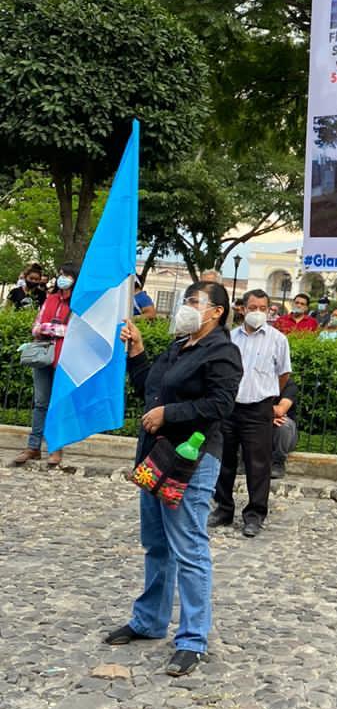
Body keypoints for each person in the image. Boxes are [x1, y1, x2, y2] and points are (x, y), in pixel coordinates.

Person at [106, 281, 242, 676]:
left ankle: (193, 638)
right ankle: (149, 620)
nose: (187, 306)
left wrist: (170, 414)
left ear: (216, 311)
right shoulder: (179, 345)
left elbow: (220, 404)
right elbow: (150, 388)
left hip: (190, 459)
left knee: (189, 546)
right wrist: (137, 352)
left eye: (194, 301)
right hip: (155, 456)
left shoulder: (222, 352)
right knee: (156, 543)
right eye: (186, 299)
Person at [209, 288, 291, 538]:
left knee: (258, 465)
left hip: (259, 408)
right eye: (253, 308)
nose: (257, 313)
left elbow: (284, 374)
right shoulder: (230, 338)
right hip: (231, 407)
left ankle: (255, 514)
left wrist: (270, 397)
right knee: (224, 461)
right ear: (243, 309)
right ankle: (223, 509)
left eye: (263, 309)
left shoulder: (278, 340)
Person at [13, 265, 76, 467]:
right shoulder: (50, 299)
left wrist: (49, 328)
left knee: (58, 403)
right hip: (43, 355)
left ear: (74, 279)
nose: (62, 279)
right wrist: (51, 328)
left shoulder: (78, 303)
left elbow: (75, 330)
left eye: (66, 275)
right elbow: (36, 326)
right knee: (40, 403)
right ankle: (33, 447)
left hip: (65, 358)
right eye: (60, 275)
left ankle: (55, 449)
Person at [271, 377, 299, 480]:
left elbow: (280, 411)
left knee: (283, 424)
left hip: (284, 433)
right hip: (263, 423)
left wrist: (260, 413)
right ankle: (243, 461)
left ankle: (278, 463)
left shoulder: (289, 385)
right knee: (246, 420)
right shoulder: (256, 382)